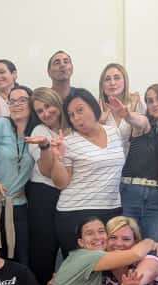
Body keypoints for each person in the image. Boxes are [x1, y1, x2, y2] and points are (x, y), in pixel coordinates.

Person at [41, 88, 125, 256]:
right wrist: (57, 157)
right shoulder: (68, 142)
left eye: (80, 110)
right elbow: (61, 183)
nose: (76, 118)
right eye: (71, 115)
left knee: (110, 266)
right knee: (81, 267)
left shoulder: (115, 132)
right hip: (76, 211)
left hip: (111, 209)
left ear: (93, 107)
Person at [0, 85, 45, 266]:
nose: (16, 104)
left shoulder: (37, 131)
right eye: (12, 101)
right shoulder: (1, 124)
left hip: (19, 206)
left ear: (31, 103)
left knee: (21, 259)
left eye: (22, 100)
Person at [25, 87, 69, 285]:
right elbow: (45, 171)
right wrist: (46, 147)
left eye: (48, 107)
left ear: (57, 104)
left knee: (72, 252)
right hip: (43, 195)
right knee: (43, 253)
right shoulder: (39, 132)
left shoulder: (75, 129)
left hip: (71, 195)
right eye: (39, 111)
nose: (45, 113)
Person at [98, 63, 145, 154]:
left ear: (125, 81)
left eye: (117, 78)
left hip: (137, 160)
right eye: (107, 79)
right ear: (102, 85)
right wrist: (100, 123)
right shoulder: (96, 108)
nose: (112, 83)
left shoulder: (139, 102)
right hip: (109, 161)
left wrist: (132, 111)